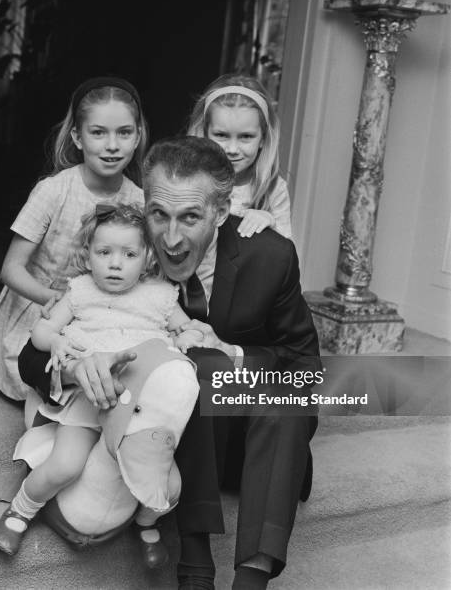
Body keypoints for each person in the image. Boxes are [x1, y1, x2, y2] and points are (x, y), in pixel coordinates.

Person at [18, 136, 320, 589]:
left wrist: (232, 358)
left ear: (222, 213)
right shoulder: (119, 252)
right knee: (191, 368)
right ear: (145, 203)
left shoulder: (271, 255)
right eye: (159, 214)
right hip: (154, 433)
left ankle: (252, 579)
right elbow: (29, 357)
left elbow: (304, 366)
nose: (172, 238)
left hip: (244, 439)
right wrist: (75, 367)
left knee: (269, 391)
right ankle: (195, 570)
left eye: (191, 218)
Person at [0, 203, 202, 564]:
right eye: (104, 252)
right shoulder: (80, 292)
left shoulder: (161, 295)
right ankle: (20, 511)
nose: (116, 263)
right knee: (65, 466)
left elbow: (188, 328)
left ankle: (146, 523)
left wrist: (189, 336)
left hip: (139, 407)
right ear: (87, 256)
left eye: (129, 254)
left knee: (171, 486)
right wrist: (56, 340)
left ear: (149, 257)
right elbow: (42, 330)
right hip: (89, 399)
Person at [0, 77, 147, 400]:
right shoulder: (54, 190)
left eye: (124, 133)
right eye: (98, 132)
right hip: (45, 312)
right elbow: (11, 269)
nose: (112, 145)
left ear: (137, 138)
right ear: (78, 137)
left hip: (101, 311)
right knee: (59, 377)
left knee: (127, 374)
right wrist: (49, 298)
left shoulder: (138, 200)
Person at [187, 73, 292, 240]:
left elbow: (287, 258)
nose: (232, 149)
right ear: (204, 134)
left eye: (246, 137)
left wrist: (270, 223)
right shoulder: (186, 179)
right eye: (221, 135)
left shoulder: (272, 189)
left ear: (262, 139)